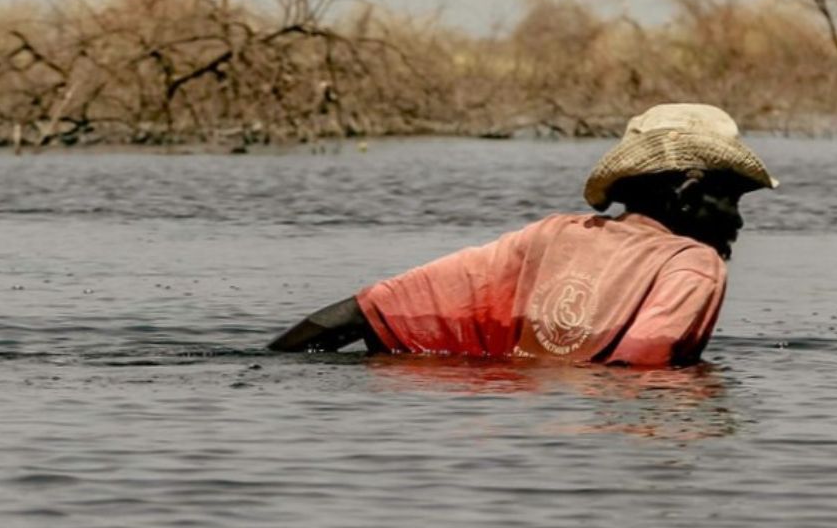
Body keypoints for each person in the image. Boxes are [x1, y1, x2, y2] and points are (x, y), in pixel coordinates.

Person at [268, 103, 774, 367]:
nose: (738, 220)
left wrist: (266, 367)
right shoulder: (694, 263)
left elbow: (365, 311)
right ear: (688, 190)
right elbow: (643, 375)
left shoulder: (553, 237)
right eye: (731, 198)